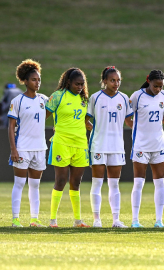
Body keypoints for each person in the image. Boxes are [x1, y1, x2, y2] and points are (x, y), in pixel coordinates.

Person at [86, 66, 133, 228]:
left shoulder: (124, 99)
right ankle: (97, 220)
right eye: (112, 80)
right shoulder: (95, 98)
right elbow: (86, 119)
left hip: (117, 146)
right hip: (98, 145)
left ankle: (116, 220)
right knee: (97, 183)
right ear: (104, 81)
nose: (116, 83)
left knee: (114, 184)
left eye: (118, 80)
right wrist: (95, 130)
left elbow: (129, 122)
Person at [46, 67, 91, 228]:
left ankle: (78, 221)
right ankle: (52, 220)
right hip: (61, 143)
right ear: (68, 82)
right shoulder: (58, 96)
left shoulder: (84, 99)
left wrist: (92, 127)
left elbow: (85, 121)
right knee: (60, 180)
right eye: (77, 84)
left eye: (82, 84)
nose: (79, 87)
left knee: (76, 183)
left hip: (80, 144)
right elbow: (43, 116)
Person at [8, 59, 48, 227]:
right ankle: (16, 219)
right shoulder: (17, 101)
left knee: (35, 185)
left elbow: (48, 115)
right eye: (33, 79)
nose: (37, 83)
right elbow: (11, 128)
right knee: (19, 183)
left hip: (40, 148)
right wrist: (14, 150)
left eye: (38, 80)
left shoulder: (44, 100)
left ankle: (34, 219)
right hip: (23, 148)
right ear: (25, 80)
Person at [129, 70, 164, 228]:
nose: (158, 89)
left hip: (159, 145)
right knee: (138, 183)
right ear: (148, 81)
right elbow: (127, 116)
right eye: (155, 86)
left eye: (160, 86)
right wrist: (137, 131)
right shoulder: (137, 96)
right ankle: (135, 221)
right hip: (141, 145)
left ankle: (159, 221)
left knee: (160, 182)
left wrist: (158, 127)